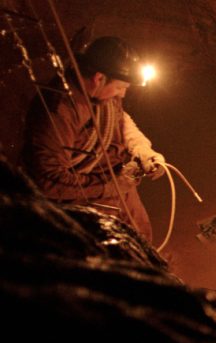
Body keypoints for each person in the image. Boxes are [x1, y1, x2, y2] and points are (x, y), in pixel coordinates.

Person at [23, 36, 164, 242]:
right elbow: (47, 181)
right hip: (85, 198)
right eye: (120, 87)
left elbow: (121, 120)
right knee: (114, 256)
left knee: (142, 240)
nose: (122, 95)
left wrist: (143, 150)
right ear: (99, 78)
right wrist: (109, 187)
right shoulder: (59, 110)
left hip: (118, 184)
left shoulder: (104, 96)